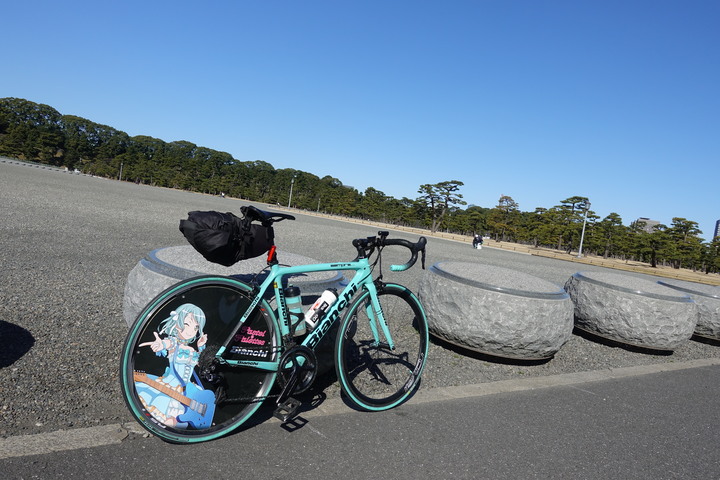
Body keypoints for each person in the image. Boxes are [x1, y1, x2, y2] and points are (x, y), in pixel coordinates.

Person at [135, 303, 209, 428]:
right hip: (171, 384)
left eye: (196, 327)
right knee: (167, 415)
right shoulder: (174, 342)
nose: (191, 330)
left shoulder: (192, 350)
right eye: (187, 324)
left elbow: (202, 364)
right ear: (177, 323)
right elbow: (167, 343)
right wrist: (160, 344)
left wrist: (201, 346)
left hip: (189, 389)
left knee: (182, 419)